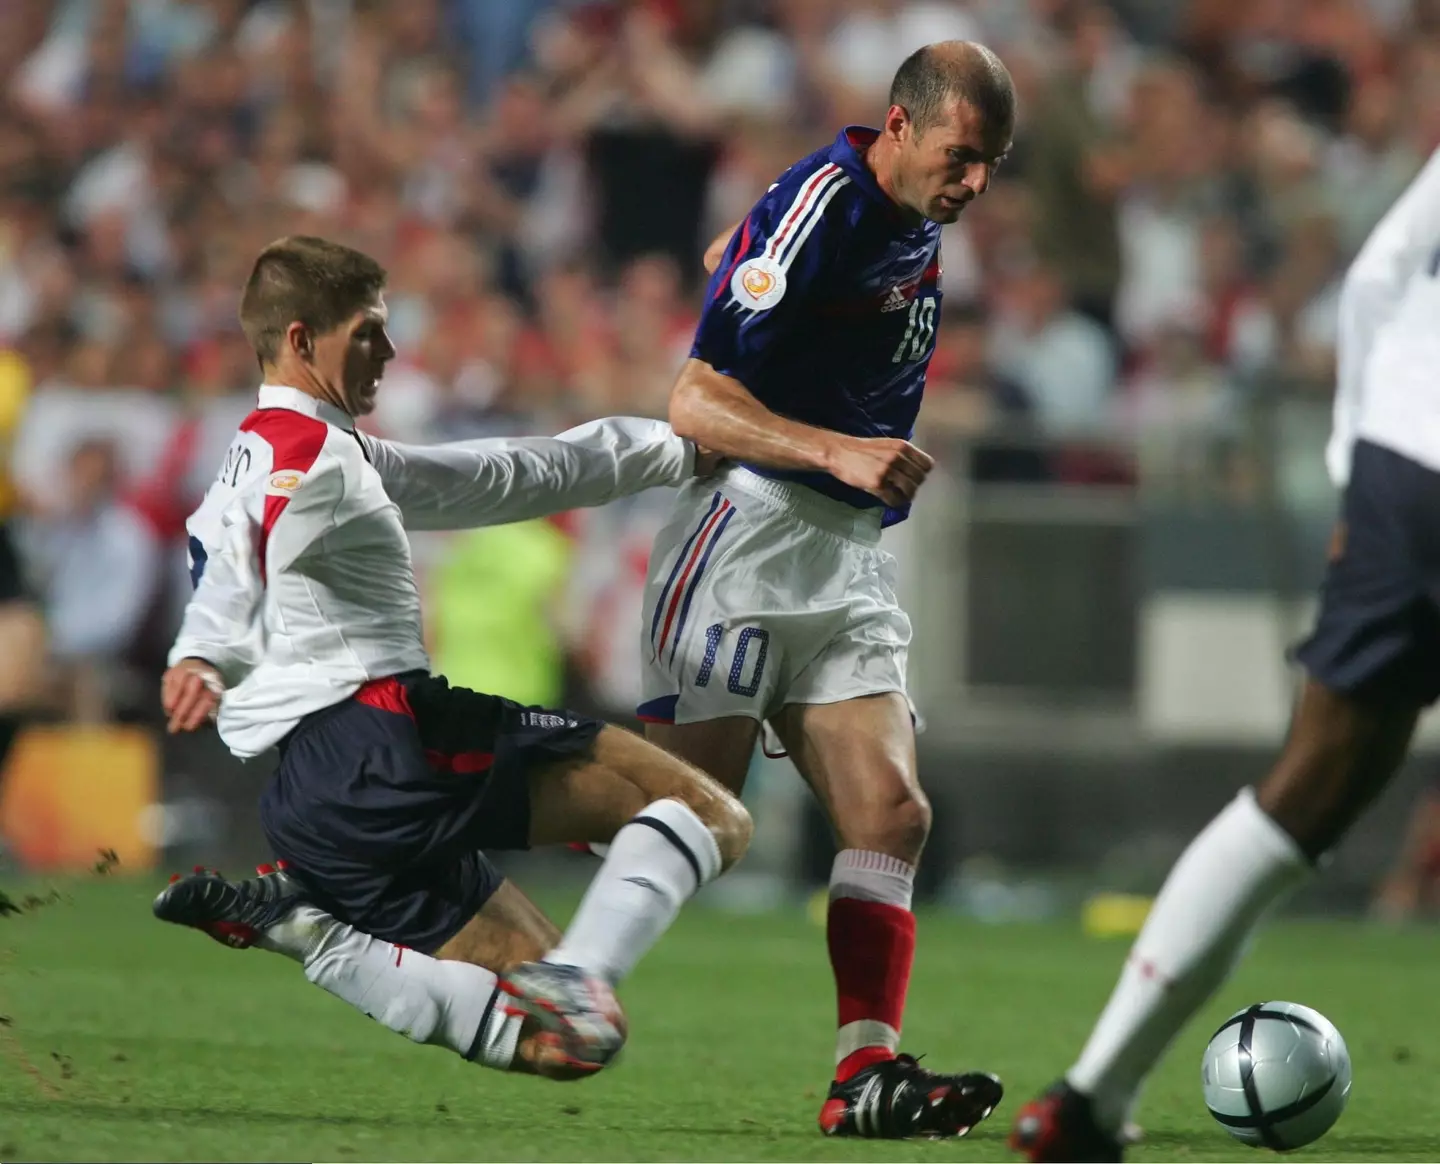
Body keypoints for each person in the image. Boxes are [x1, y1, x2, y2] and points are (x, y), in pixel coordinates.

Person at [152, 235, 752, 1081]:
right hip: (387, 745)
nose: (390, 352)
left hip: (313, 804)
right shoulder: (302, 455)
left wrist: (670, 451)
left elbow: (501, 474)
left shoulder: (308, 452)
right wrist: (203, 652)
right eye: (368, 331)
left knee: (565, 1042)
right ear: (299, 340)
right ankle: (579, 972)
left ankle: (307, 932)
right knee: (711, 813)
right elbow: (242, 552)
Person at [1010, 148, 1440, 1162]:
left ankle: (1091, 1094)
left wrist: (1352, 467)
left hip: (1405, 459)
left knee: (1308, 787)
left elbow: (1380, 274)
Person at [635, 42, 1015, 1138]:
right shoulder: (832, 199)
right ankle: (387, 850)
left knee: (891, 814)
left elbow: (759, 267)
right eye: (963, 155)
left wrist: (743, 264)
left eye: (992, 163)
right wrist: (838, 449)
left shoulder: (907, 212)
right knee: (671, 818)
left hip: (844, 562)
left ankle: (864, 1080)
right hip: (748, 541)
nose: (976, 182)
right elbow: (692, 401)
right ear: (901, 125)